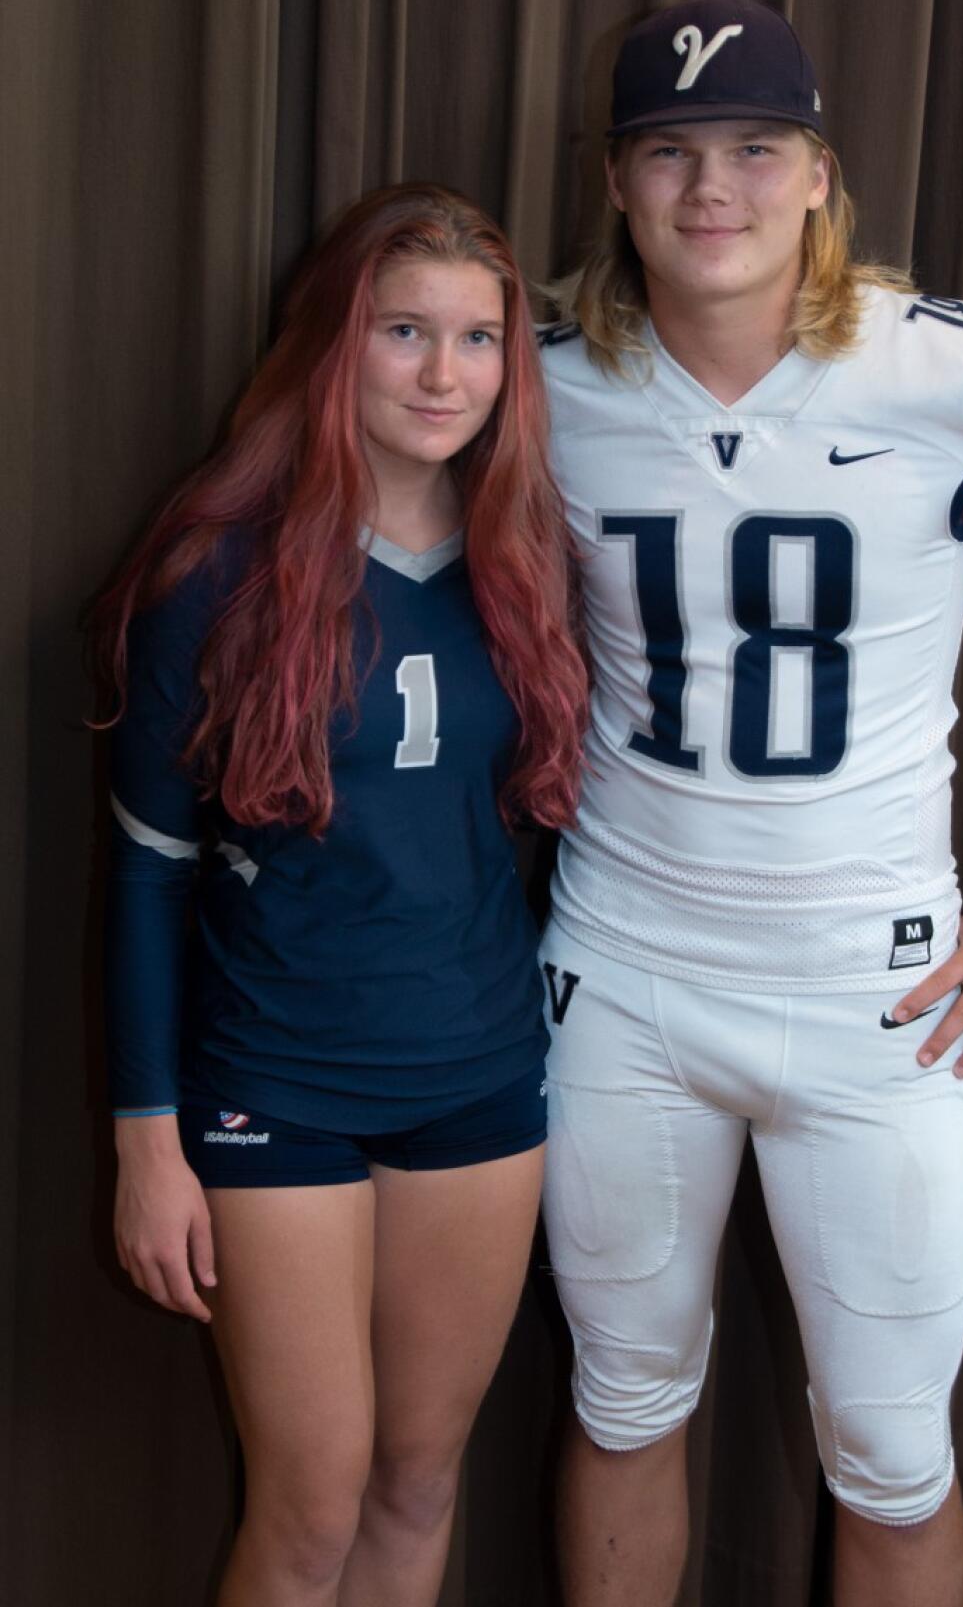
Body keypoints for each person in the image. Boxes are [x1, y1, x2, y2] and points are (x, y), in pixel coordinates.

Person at [536, 0, 963, 1607]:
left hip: (872, 988)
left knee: (888, 1448)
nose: (710, 188)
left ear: (820, 175)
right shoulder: (544, 387)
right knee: (622, 1407)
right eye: (669, 152)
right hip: (626, 970)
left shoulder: (943, 373)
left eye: (753, 147)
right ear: (618, 184)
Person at [92, 183, 589, 1607]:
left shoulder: (529, 556)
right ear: (335, 344)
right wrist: (145, 1140)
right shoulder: (216, 572)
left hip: (482, 1077)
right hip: (276, 1083)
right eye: (404, 331)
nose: (445, 374)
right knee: (309, 1509)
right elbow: (143, 870)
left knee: (419, 1479)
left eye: (479, 338)